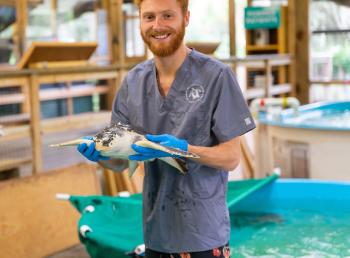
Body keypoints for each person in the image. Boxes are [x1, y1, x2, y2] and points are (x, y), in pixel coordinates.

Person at [77, 0, 255, 257]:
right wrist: (102, 156)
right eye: (149, 17)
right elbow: (121, 161)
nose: (157, 26)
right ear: (140, 22)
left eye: (167, 16)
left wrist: (182, 150)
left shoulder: (216, 76)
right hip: (156, 233)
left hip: (204, 234)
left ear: (186, 18)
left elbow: (231, 158)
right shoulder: (133, 82)